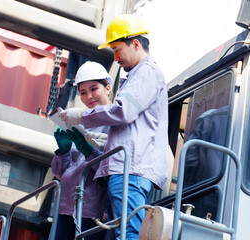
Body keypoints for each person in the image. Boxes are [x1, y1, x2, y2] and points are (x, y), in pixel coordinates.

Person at [59, 14, 169, 239]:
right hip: (126, 167)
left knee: (128, 232)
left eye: (118, 49)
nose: (115, 57)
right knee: (123, 230)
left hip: (132, 168)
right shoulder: (137, 75)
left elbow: (124, 111)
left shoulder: (146, 72)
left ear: (135, 44)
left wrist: (81, 116)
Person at [51, 61, 112, 240]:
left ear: (107, 88)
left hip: (91, 210)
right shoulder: (78, 122)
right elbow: (60, 172)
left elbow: (110, 171)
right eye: (83, 92)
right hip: (65, 205)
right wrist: (63, 151)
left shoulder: (114, 125)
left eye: (94, 89)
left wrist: (88, 151)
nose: (89, 97)